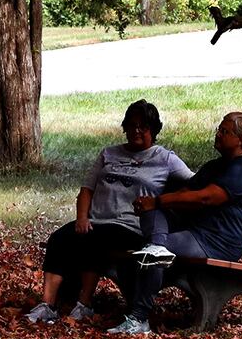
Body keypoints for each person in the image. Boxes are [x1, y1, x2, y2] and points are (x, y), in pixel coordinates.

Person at [23, 99, 193, 324]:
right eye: (131, 125)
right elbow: (87, 189)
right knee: (59, 239)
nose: (136, 131)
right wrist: (82, 217)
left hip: (131, 227)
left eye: (142, 126)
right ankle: (48, 304)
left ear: (154, 129)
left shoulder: (165, 159)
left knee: (94, 241)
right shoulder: (109, 154)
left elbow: (194, 182)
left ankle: (84, 305)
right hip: (96, 221)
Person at [107, 110, 242, 336]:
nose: (218, 134)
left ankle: (139, 319)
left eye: (224, 131)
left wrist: (159, 201)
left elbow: (204, 197)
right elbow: (187, 191)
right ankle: (157, 247)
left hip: (217, 242)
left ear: (240, 140)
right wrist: (155, 204)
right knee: (154, 219)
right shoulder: (214, 166)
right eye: (219, 129)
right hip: (195, 232)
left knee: (153, 244)